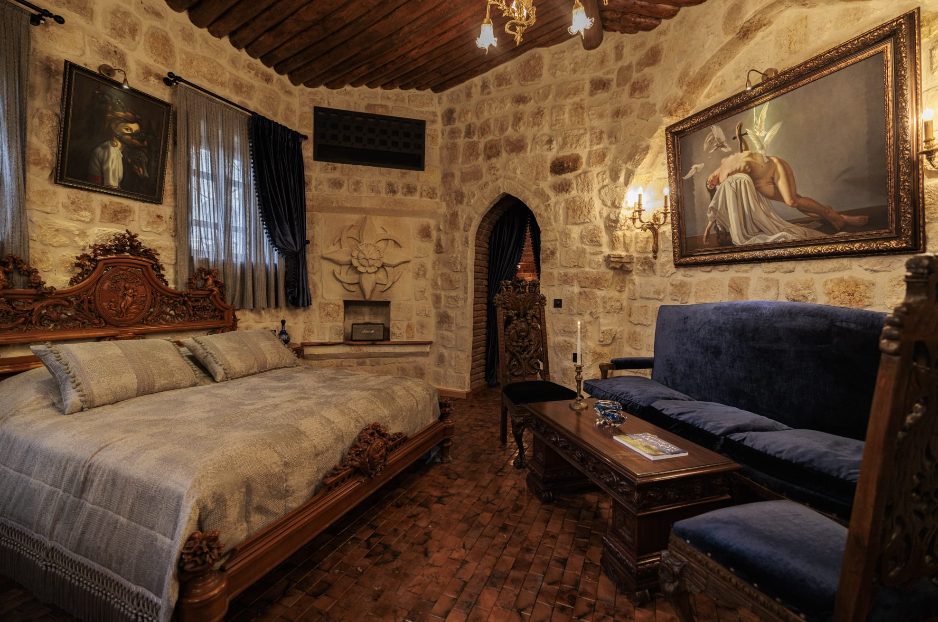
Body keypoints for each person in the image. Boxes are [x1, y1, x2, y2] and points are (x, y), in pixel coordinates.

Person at [705, 122, 868, 233]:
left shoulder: (724, 161)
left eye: (708, 180)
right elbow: (721, 202)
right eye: (711, 185)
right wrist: (709, 226)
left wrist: (740, 137)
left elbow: (745, 154)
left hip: (774, 166)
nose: (710, 182)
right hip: (762, 184)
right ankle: (836, 216)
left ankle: (831, 214)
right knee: (793, 201)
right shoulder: (724, 181)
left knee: (794, 200)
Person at [88, 107, 142, 189]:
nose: (132, 136)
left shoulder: (115, 150)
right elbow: (111, 188)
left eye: (135, 133)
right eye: (127, 129)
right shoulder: (111, 151)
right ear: (114, 127)